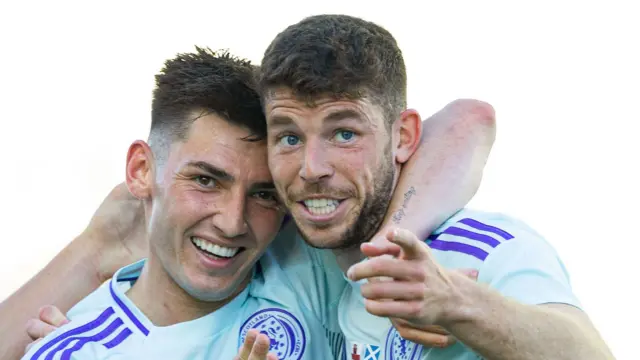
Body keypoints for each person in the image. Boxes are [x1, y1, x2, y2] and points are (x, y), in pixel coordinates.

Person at [3, 45, 496, 360]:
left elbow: (468, 122)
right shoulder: (75, 351)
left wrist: (388, 253)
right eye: (206, 180)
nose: (234, 221)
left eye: (263, 193)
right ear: (140, 171)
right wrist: (95, 248)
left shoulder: (298, 261)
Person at [256, 14, 613, 359]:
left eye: (345, 134)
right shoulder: (276, 247)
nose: (311, 168)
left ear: (404, 136)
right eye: (289, 137)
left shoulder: (486, 251)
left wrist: (458, 304)